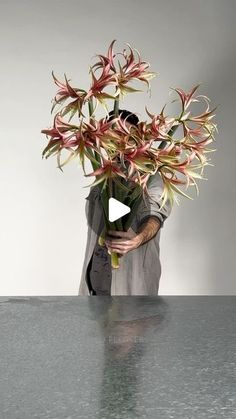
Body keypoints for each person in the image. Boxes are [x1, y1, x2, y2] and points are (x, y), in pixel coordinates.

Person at [78, 109, 172, 296]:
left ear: (138, 138)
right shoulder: (102, 174)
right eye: (113, 134)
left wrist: (137, 239)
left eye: (126, 134)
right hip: (94, 284)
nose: (120, 142)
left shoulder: (153, 173)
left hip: (132, 287)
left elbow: (155, 214)